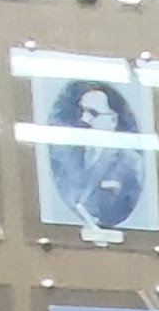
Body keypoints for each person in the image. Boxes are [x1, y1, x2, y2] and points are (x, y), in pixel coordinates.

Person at [46, 79, 145, 230]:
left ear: (112, 120)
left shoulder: (130, 162)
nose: (84, 120)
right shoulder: (65, 155)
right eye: (82, 111)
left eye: (93, 113)